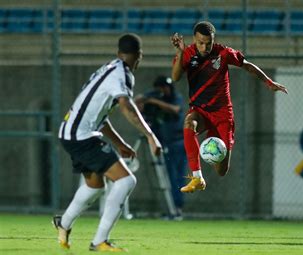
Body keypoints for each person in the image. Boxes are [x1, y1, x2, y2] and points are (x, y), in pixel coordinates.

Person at [52, 33, 162, 252]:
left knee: (95, 185)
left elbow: (100, 117)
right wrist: (151, 135)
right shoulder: (122, 75)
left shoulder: (108, 68)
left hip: (71, 133)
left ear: (118, 52)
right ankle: (99, 241)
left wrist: (120, 143)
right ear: (139, 56)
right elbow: (126, 106)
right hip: (81, 136)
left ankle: (62, 224)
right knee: (126, 181)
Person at [170, 21, 288, 193]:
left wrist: (268, 82)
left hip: (222, 115)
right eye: (200, 43)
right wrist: (180, 53)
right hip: (200, 111)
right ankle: (197, 177)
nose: (204, 47)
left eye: (208, 43)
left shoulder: (223, 53)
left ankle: (210, 147)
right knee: (189, 123)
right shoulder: (187, 54)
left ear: (213, 40)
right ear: (194, 40)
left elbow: (246, 64)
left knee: (221, 170)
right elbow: (175, 77)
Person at [135, 75, 187, 218]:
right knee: (169, 177)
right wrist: (143, 101)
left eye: (166, 87)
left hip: (178, 142)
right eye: (161, 88)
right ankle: (170, 209)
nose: (164, 91)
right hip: (165, 142)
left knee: (177, 177)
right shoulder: (154, 96)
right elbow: (137, 102)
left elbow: (176, 109)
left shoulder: (175, 97)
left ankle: (177, 208)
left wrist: (154, 101)